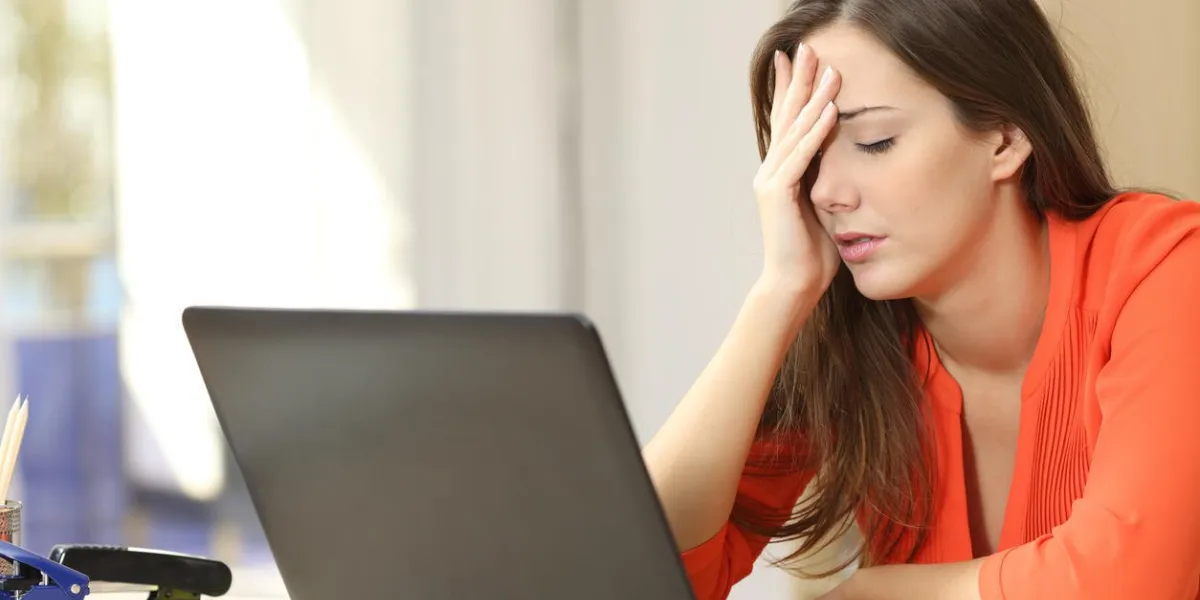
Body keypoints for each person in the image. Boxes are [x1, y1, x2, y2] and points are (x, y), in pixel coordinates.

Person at [641, 0, 1200, 599]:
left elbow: (1128, 581)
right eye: (807, 155)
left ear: (1005, 137)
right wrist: (779, 292)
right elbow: (640, 571)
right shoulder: (856, 341)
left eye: (875, 142)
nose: (826, 193)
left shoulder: (1166, 270)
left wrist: (867, 594)